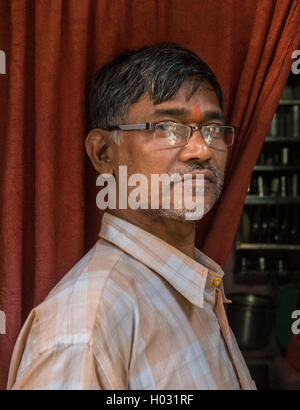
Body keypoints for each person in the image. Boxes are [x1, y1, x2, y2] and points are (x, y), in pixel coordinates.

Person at [7, 43, 256, 390]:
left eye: (213, 130)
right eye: (168, 128)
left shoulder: (196, 286)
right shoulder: (84, 328)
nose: (201, 150)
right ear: (104, 153)